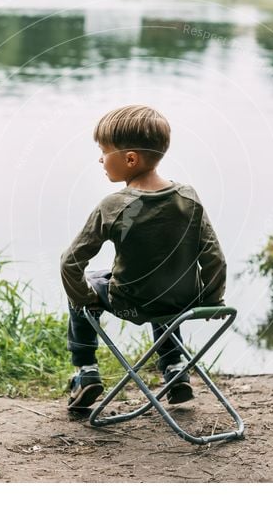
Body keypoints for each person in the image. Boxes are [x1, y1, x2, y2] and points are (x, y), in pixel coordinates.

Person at [60, 104, 227, 411]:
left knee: (87, 286)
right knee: (167, 287)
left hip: (130, 305)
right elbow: (215, 258)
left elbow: (70, 263)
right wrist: (211, 302)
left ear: (130, 159)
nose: (99, 158)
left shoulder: (113, 206)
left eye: (103, 151)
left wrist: (86, 299)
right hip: (182, 303)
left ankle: (86, 372)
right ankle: (176, 368)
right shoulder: (188, 198)